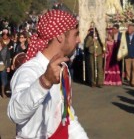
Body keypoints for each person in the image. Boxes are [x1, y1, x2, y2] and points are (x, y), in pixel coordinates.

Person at [7, 9, 88, 139]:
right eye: (75, 34)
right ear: (60, 36)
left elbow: (67, 117)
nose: (78, 40)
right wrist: (44, 82)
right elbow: (15, 113)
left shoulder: (63, 68)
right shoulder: (29, 71)